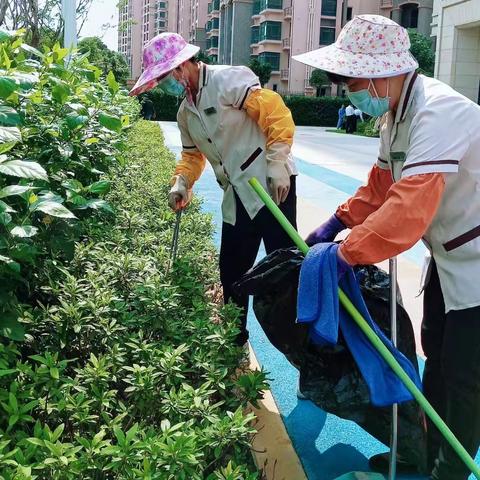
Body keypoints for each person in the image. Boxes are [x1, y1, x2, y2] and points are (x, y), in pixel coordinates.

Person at [293, 14, 480, 480]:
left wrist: (345, 252)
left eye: (351, 78)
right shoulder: (396, 113)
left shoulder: (439, 113)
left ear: (385, 71)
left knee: (463, 375)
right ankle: (423, 454)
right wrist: (338, 220)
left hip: (476, 260)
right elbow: (380, 185)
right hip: (451, 256)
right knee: (434, 353)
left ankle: (450, 470)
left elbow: (406, 211)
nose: (346, 88)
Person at [129, 33, 298, 347]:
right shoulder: (185, 113)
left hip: (272, 186)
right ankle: (235, 341)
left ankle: (300, 346)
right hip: (236, 196)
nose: (164, 85)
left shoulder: (227, 80)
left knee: (285, 270)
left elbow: (275, 113)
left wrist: (277, 162)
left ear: (181, 68)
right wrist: (181, 182)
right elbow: (192, 156)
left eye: (163, 77)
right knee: (232, 271)